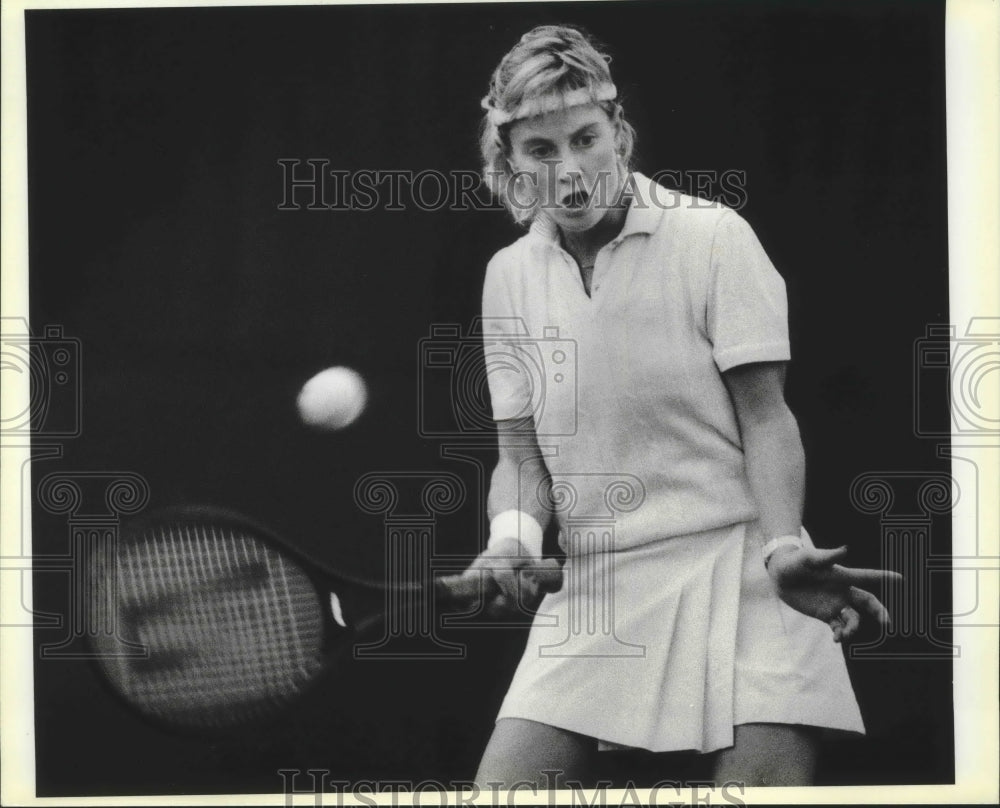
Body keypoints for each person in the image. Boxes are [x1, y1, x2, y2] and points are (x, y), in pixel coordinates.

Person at [461, 25, 901, 789]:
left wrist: (781, 545)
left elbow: (768, 418)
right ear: (511, 161)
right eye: (541, 150)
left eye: (585, 138)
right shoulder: (509, 278)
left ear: (619, 133)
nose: (570, 171)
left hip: (744, 569)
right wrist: (511, 538)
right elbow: (523, 457)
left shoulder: (713, 237)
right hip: (598, 586)